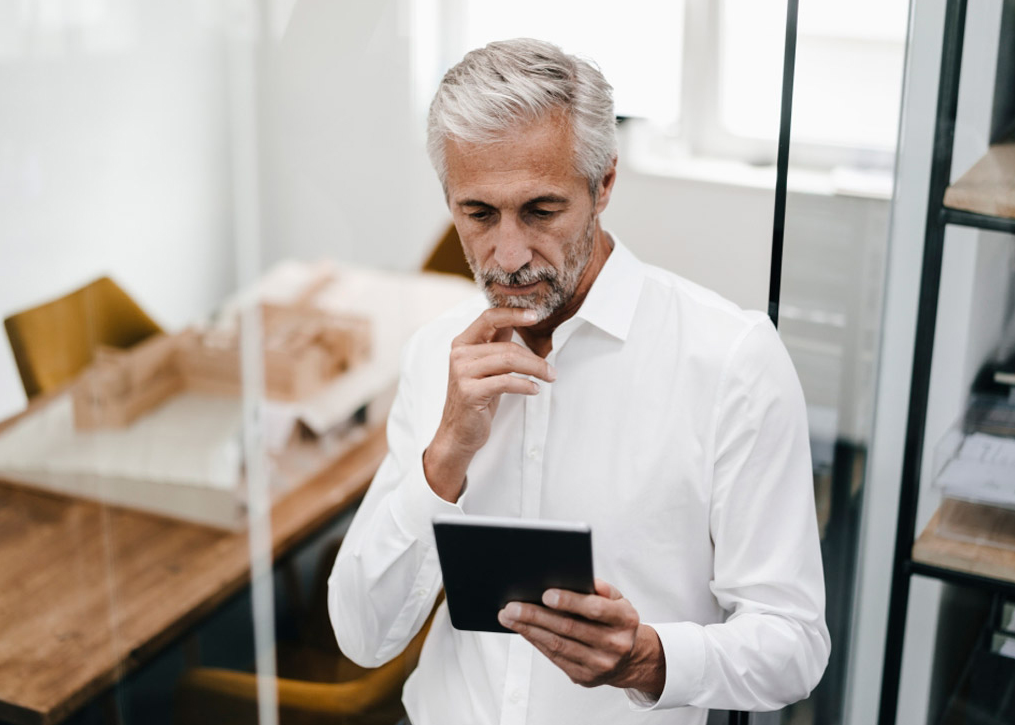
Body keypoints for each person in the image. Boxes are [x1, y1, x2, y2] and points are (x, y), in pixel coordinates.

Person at [328, 38, 829, 725]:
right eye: (479, 214)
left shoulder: (731, 363)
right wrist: (444, 456)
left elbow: (795, 644)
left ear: (605, 184)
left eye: (540, 211)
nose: (507, 255)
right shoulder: (434, 354)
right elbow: (362, 635)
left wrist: (649, 658)